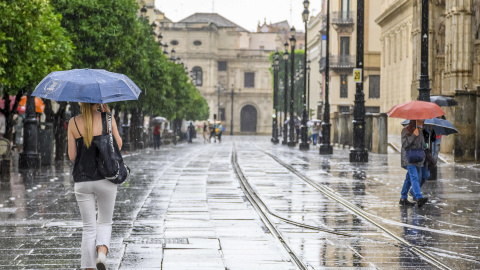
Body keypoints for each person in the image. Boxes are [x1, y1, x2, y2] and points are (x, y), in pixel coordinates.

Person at [68, 103, 122, 270]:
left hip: (82, 180)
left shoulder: (73, 122)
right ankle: (102, 254)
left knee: (89, 227)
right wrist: (107, 120)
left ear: (80, 102)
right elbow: (118, 146)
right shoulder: (108, 118)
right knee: (105, 222)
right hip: (106, 178)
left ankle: (89, 267)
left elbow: (72, 156)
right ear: (98, 101)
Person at [399, 120, 428, 207]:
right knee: (414, 177)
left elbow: (421, 144)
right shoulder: (406, 130)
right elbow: (405, 144)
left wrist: (425, 144)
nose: (422, 124)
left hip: (417, 158)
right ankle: (419, 197)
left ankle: (403, 198)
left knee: (408, 179)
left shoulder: (419, 130)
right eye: (420, 122)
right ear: (414, 121)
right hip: (409, 158)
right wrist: (414, 135)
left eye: (422, 122)